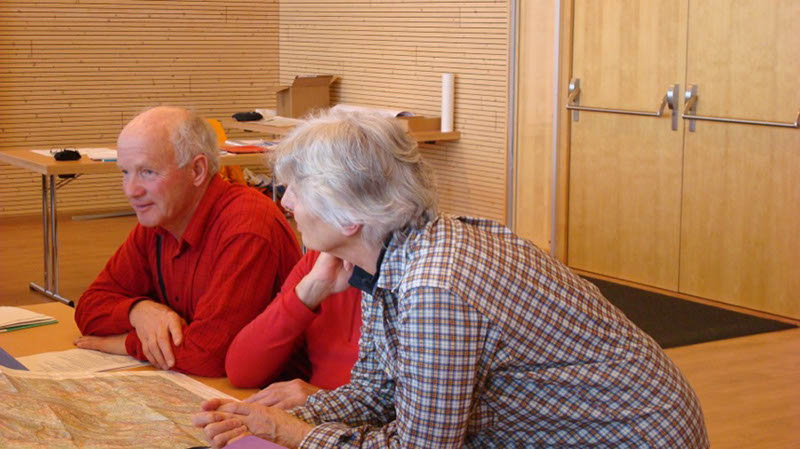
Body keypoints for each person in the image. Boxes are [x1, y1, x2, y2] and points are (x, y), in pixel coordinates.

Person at [193, 110, 709, 448]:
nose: (285, 203)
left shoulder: (433, 285)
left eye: (295, 190)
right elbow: (377, 391)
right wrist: (291, 412)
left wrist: (294, 433)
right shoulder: (388, 253)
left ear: (348, 215)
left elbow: (421, 447)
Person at [73, 106, 302, 377]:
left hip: (264, 391)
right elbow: (89, 307)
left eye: (148, 172)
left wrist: (125, 343)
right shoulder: (159, 221)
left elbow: (210, 355)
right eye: (125, 172)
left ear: (197, 170)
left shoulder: (247, 225)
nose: (131, 190)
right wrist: (138, 311)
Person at [225, 250, 362, 409]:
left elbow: (384, 410)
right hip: (315, 417)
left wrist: (324, 400)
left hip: (340, 419)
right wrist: (311, 289)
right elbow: (241, 372)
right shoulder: (324, 260)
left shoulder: (388, 272)